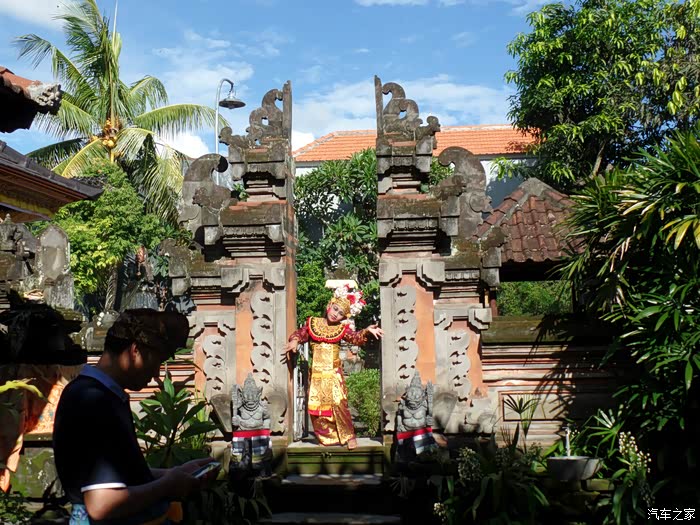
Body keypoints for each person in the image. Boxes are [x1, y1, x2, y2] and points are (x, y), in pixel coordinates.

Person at [53, 309, 218, 525]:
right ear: (135, 351)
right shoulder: (94, 401)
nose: (157, 374)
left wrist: (174, 474)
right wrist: (168, 485)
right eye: (157, 362)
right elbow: (102, 504)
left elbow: (123, 476)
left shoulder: (99, 394)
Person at [284, 286, 383, 450]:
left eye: (340, 313)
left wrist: (366, 331)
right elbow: (300, 333)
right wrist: (294, 341)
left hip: (334, 373)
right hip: (316, 375)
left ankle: (349, 436)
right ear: (329, 305)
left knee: (339, 402)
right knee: (317, 407)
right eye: (335, 309)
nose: (336, 314)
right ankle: (327, 438)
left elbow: (355, 338)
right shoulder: (313, 323)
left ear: (344, 317)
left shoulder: (341, 329)